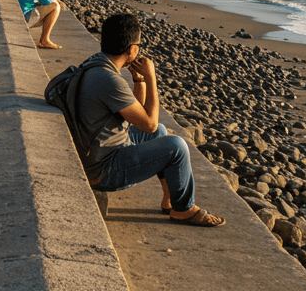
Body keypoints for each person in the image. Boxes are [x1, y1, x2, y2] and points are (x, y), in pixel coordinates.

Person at [73, 13, 223, 226]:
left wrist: (139, 81)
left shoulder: (97, 65)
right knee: (176, 146)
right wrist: (152, 77)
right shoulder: (110, 81)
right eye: (138, 45)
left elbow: (138, 117)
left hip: (96, 151)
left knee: (159, 131)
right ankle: (184, 209)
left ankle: (169, 197)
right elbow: (149, 121)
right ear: (131, 49)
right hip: (102, 170)